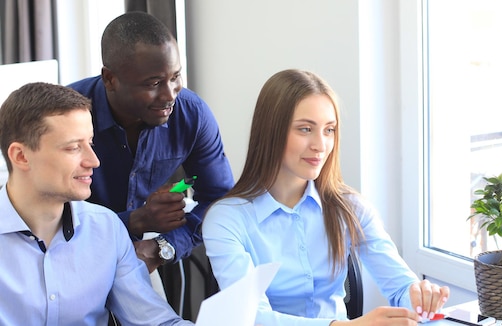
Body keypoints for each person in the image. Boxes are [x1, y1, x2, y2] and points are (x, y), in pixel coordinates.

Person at [202, 69, 451, 325]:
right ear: (272, 132)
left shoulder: (350, 207)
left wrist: (419, 297)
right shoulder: (227, 219)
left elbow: (400, 288)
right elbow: (253, 318)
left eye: (329, 130)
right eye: (305, 129)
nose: (320, 145)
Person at [0, 82, 193, 325]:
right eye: (73, 148)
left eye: (90, 144)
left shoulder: (106, 228)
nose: (93, 161)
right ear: (20, 156)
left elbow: (155, 321)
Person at [67, 11, 235, 273]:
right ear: (110, 79)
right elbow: (48, 216)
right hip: (71, 261)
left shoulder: (192, 114)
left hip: (142, 261)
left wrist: (161, 247)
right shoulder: (65, 116)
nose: (170, 95)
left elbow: (220, 199)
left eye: (175, 77)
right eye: (154, 83)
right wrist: (135, 221)